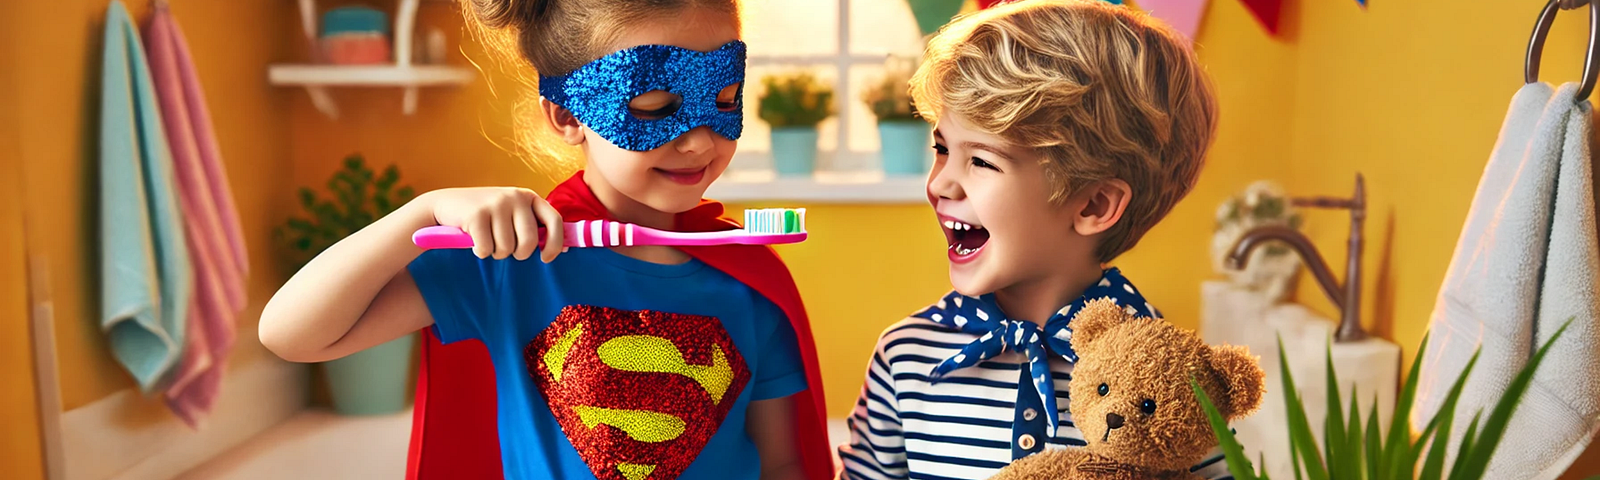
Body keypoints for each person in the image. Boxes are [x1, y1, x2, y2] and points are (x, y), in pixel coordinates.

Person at [259, 1, 832, 478]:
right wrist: (422, 214)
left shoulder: (750, 281)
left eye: (725, 101)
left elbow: (783, 464)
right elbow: (291, 333)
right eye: (654, 107)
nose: (700, 143)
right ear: (566, 116)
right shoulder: (511, 262)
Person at [834, 1, 1231, 478]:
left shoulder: (1169, 381)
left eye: (981, 161)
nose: (941, 183)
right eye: (942, 149)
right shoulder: (905, 355)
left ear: (1093, 206)